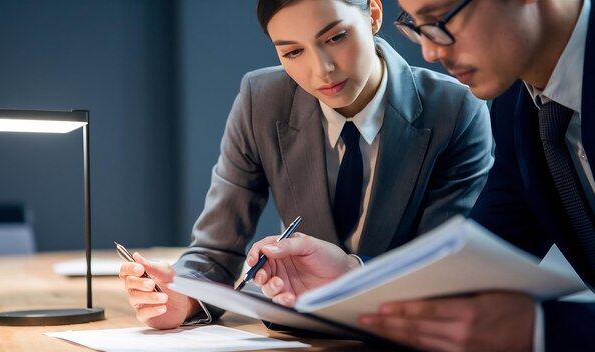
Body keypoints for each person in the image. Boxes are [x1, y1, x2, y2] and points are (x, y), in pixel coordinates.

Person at [119, 0, 492, 331]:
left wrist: (354, 272)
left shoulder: (456, 109)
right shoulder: (261, 99)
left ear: (374, 15)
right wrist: (184, 297)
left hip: (403, 334)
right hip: (297, 334)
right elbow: (215, 250)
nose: (322, 70)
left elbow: (447, 269)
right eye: (293, 52)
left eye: (336, 37)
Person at [250, 0, 595, 350]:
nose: (429, 51)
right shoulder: (518, 109)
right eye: (415, 25)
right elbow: (475, 267)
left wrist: (543, 329)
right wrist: (353, 276)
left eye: (440, 19)